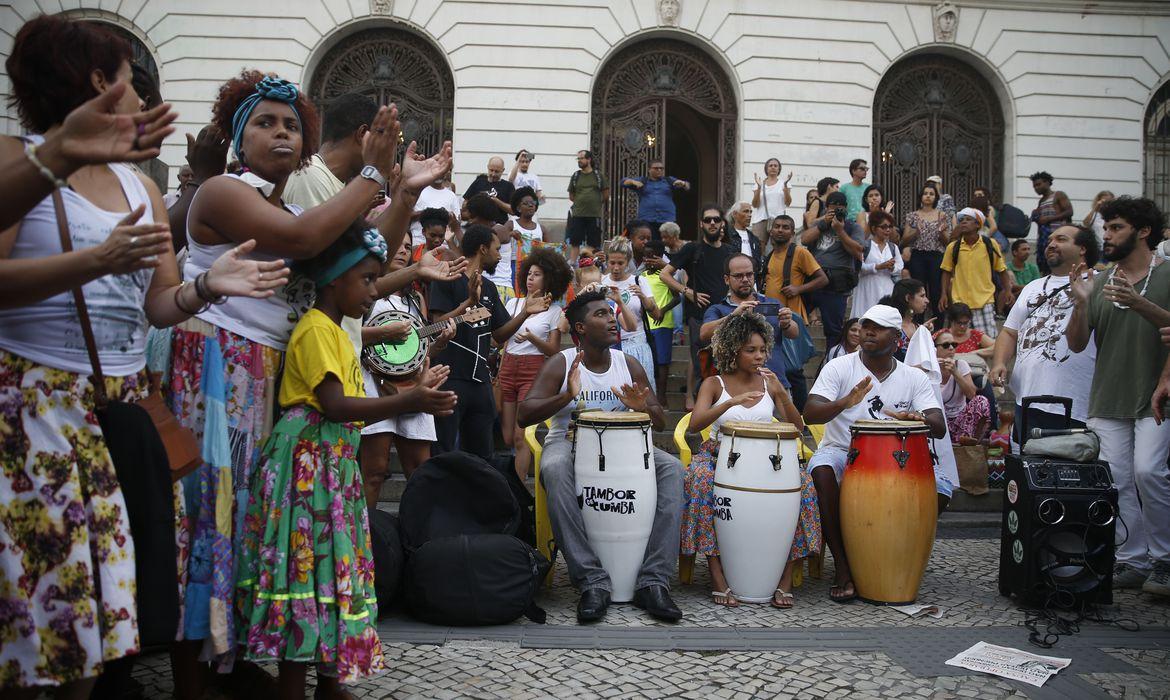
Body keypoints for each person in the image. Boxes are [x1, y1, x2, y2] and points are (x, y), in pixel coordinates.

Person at [0, 18, 291, 695]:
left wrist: (204, 288)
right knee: (41, 614)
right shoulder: (18, 160)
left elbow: (158, 302)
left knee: (97, 616)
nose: (142, 92)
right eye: (130, 77)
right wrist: (91, 261)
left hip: (115, 412)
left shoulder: (142, 188)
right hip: (32, 408)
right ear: (99, 82)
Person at [172, 70, 447, 689]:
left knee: (250, 524)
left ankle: (233, 661)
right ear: (238, 137)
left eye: (292, 125)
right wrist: (374, 177)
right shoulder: (221, 192)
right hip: (220, 367)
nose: (281, 134)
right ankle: (193, 676)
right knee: (210, 524)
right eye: (265, 123)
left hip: (268, 372)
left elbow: (361, 263)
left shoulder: (294, 204)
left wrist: (403, 193)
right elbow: (303, 239)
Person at [235, 226, 455, 696]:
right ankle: (295, 683)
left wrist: (414, 390)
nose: (374, 291)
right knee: (304, 567)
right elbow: (333, 404)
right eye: (368, 280)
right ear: (335, 280)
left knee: (336, 565)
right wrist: (407, 402)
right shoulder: (316, 329)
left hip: (333, 464)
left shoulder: (339, 331)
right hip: (307, 464)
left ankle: (330, 684)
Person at [518, 291, 684, 623]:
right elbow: (524, 414)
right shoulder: (562, 363)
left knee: (675, 470)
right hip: (570, 442)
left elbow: (660, 420)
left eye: (611, 313)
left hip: (624, 447)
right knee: (552, 468)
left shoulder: (628, 364)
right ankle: (592, 580)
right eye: (601, 314)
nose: (612, 319)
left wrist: (644, 407)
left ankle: (653, 581)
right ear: (579, 328)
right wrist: (567, 394)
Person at [803, 304, 947, 601]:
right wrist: (845, 401)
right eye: (866, 324)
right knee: (822, 472)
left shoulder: (913, 377)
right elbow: (811, 413)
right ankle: (844, 567)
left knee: (942, 487)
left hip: (896, 458)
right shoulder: (839, 367)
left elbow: (939, 426)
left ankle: (894, 560)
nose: (868, 331)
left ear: (897, 337)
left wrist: (918, 417)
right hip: (843, 451)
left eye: (878, 327)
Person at [1066, 196, 1170, 597]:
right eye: (1106, 228)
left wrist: (1140, 303)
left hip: (1156, 393)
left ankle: (1164, 560)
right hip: (1109, 394)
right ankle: (1134, 558)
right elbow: (1077, 344)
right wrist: (1080, 303)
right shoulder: (1101, 280)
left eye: (1116, 228)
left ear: (1143, 232)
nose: (1106, 236)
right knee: (1118, 480)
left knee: (1149, 472)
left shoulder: (1165, 276)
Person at [684, 312, 819, 608]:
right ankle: (718, 574)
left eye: (762, 350)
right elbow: (695, 425)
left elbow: (798, 429)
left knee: (805, 486)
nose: (759, 356)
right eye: (751, 350)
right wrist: (730, 402)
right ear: (733, 350)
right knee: (702, 482)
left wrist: (782, 395)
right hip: (720, 454)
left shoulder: (770, 382)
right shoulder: (714, 383)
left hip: (766, 458)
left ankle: (784, 578)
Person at [429, 224, 549, 458]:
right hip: (449, 377)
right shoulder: (448, 279)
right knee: (443, 451)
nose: (499, 255)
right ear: (482, 249)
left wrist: (525, 312)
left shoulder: (491, 288)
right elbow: (436, 326)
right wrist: (468, 304)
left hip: (480, 382)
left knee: (483, 456)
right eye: (496, 249)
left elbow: (499, 335)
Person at [359, 236, 459, 500]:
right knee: (374, 471)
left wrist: (438, 344)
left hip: (412, 383)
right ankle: (365, 537)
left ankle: (418, 538)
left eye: (407, 246)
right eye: (398, 244)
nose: (402, 250)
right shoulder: (363, 293)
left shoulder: (415, 299)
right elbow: (344, 334)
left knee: (420, 471)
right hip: (373, 383)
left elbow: (416, 350)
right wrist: (382, 332)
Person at [282, 91, 380, 354]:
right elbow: (336, 266)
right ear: (363, 134)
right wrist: (376, 174)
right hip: (318, 350)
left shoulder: (338, 184)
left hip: (337, 346)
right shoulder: (312, 176)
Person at [989, 225, 1099, 445]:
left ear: (1083, 249)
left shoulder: (1099, 283)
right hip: (1026, 398)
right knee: (1028, 471)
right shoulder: (1032, 287)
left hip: (1072, 401)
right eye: (1049, 240)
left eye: (1061, 239)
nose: (1051, 244)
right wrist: (1000, 362)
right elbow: (1010, 332)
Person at [500, 247, 572, 478]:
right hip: (508, 366)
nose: (531, 277)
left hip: (533, 369)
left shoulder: (553, 311)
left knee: (521, 436)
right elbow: (501, 338)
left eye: (537, 274)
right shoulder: (513, 304)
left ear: (550, 278)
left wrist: (531, 337)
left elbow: (553, 350)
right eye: (529, 273)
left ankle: (518, 490)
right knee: (507, 437)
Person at [659, 205, 737, 394]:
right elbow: (665, 275)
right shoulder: (692, 248)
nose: (712, 223)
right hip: (699, 314)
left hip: (725, 313)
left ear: (722, 224)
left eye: (716, 220)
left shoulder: (729, 251)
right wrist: (687, 291)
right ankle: (697, 400)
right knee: (700, 358)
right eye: (708, 220)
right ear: (701, 224)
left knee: (725, 360)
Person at [699, 253, 800, 386]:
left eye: (749, 274)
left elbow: (794, 333)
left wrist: (786, 323)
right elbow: (704, 334)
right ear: (726, 279)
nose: (745, 279)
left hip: (775, 382)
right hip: (734, 387)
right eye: (738, 276)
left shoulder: (770, 303)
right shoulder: (718, 309)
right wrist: (733, 316)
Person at [801, 190, 865, 349]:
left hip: (837, 285)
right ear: (826, 208)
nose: (836, 210)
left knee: (834, 331)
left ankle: (832, 364)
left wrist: (840, 231)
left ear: (846, 208)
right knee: (798, 320)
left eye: (840, 207)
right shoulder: (819, 223)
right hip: (813, 281)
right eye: (833, 207)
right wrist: (823, 224)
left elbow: (858, 250)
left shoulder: (852, 227)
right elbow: (804, 239)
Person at [940, 207, 1013, 334]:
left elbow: (1002, 270)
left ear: (978, 224)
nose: (963, 222)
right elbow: (946, 272)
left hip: (984, 302)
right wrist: (944, 294)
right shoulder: (953, 247)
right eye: (962, 220)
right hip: (959, 303)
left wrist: (1008, 291)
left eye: (968, 219)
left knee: (988, 342)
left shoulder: (990, 244)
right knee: (960, 345)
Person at [602, 236, 660, 391]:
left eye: (620, 263)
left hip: (637, 344)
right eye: (612, 263)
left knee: (642, 392)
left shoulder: (638, 281)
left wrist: (642, 296)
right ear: (607, 261)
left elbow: (656, 314)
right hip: (610, 346)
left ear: (628, 262)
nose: (616, 268)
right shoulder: (601, 282)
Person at [762, 214, 827, 324]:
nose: (780, 230)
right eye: (777, 226)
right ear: (771, 231)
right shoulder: (770, 256)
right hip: (771, 317)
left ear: (792, 233)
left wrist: (798, 289)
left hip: (792, 318)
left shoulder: (800, 252)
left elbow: (823, 279)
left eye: (785, 227)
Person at [933, 329, 991, 442]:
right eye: (945, 345)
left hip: (960, 419)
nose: (951, 348)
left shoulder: (961, 365)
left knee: (981, 401)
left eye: (953, 345)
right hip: (939, 420)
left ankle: (972, 442)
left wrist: (955, 372)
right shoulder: (930, 368)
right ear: (935, 348)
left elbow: (971, 394)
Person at [903, 183, 951, 318]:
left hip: (936, 256)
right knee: (918, 290)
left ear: (936, 197)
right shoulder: (913, 215)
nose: (928, 196)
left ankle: (938, 325)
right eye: (925, 193)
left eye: (931, 194)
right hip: (918, 255)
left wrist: (941, 232)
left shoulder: (942, 215)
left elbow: (948, 242)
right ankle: (917, 323)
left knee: (936, 291)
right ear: (921, 196)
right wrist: (916, 231)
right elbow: (904, 240)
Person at [642, 239, 679, 403]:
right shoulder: (641, 277)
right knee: (650, 360)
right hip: (646, 325)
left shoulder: (665, 275)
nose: (648, 260)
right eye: (645, 256)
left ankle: (662, 396)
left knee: (662, 361)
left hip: (663, 323)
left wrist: (662, 311)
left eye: (652, 256)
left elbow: (677, 298)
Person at [852, 210, 903, 317]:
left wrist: (892, 268)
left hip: (887, 287)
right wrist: (878, 267)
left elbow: (900, 266)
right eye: (883, 227)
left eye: (889, 226)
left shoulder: (893, 247)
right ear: (874, 228)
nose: (887, 230)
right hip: (867, 288)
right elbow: (859, 266)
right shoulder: (865, 246)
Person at [621, 159, 689, 239]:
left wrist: (683, 183)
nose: (659, 170)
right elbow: (623, 182)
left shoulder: (669, 180)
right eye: (656, 168)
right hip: (647, 218)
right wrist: (633, 182)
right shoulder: (643, 180)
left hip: (666, 218)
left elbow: (687, 186)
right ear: (649, 169)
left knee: (668, 242)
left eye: (661, 168)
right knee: (649, 242)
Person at [567, 149, 608, 264]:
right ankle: (573, 264)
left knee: (593, 242)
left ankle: (591, 263)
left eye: (581, 158)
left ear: (589, 159)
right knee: (575, 241)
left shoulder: (598, 176)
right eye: (578, 159)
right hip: (578, 214)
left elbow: (605, 193)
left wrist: (595, 203)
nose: (579, 161)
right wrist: (581, 202)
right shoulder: (576, 176)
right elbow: (571, 195)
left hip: (593, 214)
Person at [1030, 171, 1073, 275]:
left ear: (1047, 183)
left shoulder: (1058, 195)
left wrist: (1049, 219)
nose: (1036, 188)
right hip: (1046, 238)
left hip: (1058, 235)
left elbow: (1069, 212)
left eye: (1038, 184)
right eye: (1034, 186)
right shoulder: (1041, 201)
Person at [410, 172, 462, 247]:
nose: (439, 173)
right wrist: (427, 213)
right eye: (437, 170)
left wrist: (448, 216)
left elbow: (457, 222)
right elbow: (405, 216)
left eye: (442, 170)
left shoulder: (451, 196)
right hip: (418, 242)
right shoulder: (418, 191)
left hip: (443, 246)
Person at [463, 156, 515, 225]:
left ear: (503, 170)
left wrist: (496, 201)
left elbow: (513, 210)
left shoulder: (508, 186)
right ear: (488, 167)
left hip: (498, 226)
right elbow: (465, 203)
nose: (493, 174)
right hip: (476, 226)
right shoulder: (478, 182)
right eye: (491, 170)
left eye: (497, 171)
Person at [750, 158, 792, 242]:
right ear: (766, 168)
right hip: (760, 219)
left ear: (779, 169)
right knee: (758, 247)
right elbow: (755, 205)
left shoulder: (784, 183)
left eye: (775, 166)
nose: (773, 167)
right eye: (770, 166)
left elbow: (788, 203)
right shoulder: (759, 183)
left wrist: (785, 188)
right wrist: (758, 188)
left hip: (779, 220)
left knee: (778, 246)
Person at [888, 278, 930, 361]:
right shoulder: (891, 327)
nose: (927, 301)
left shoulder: (919, 327)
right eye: (922, 296)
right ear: (908, 298)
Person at [727, 201, 764, 276]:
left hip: (752, 281)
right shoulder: (727, 236)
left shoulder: (754, 239)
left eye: (750, 212)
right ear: (735, 214)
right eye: (746, 211)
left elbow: (758, 263)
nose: (749, 215)